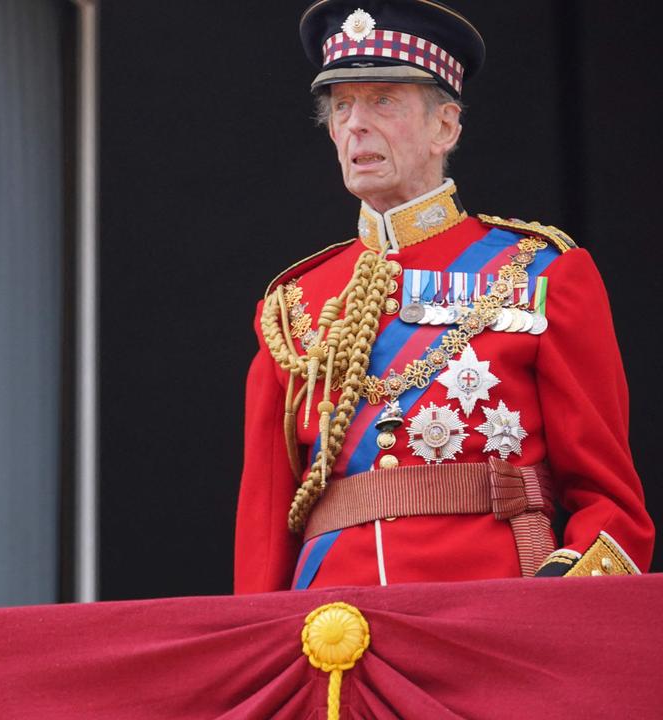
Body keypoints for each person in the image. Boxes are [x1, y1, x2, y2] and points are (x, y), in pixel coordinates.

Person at [234, 0, 653, 593]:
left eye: (383, 101)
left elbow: (611, 504)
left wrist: (556, 597)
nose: (356, 124)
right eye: (343, 105)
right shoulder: (295, 302)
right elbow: (264, 525)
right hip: (329, 627)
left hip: (492, 619)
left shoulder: (540, 273)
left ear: (445, 127)